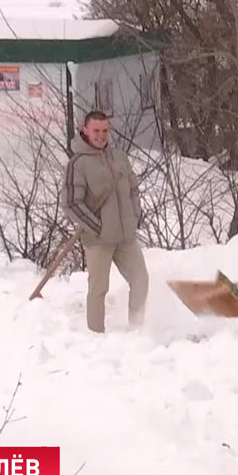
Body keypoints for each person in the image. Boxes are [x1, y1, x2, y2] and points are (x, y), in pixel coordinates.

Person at [63, 110, 149, 334]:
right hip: (98, 239)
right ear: (85, 130)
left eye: (104, 130)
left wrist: (134, 216)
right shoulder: (78, 164)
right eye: (96, 131)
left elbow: (132, 189)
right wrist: (97, 228)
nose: (101, 135)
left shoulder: (119, 157)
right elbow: (72, 203)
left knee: (141, 280)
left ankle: (138, 330)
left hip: (125, 236)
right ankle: (95, 336)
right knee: (99, 289)